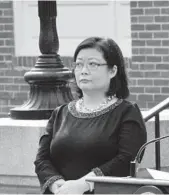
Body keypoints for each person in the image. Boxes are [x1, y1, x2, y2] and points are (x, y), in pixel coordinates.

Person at [34, 37, 147, 194]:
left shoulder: (126, 113)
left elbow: (126, 159)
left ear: (113, 71)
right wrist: (57, 185)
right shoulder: (60, 113)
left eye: (92, 64)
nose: (83, 71)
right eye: (79, 64)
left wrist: (85, 184)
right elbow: (41, 160)